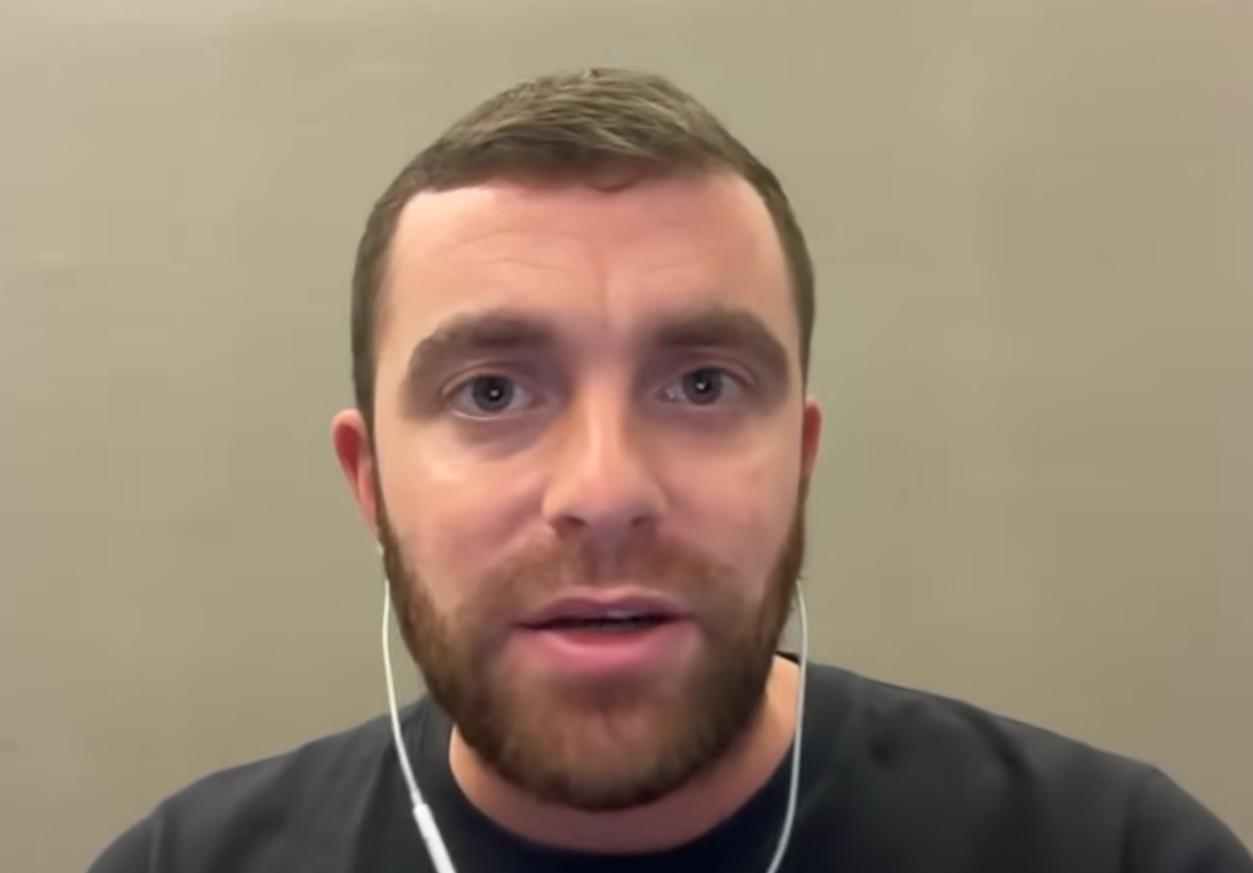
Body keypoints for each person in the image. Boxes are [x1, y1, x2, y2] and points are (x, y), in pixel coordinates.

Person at [88, 67, 1251, 873]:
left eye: (699, 385)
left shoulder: (1117, 853)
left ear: (798, 459)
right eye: (490, 392)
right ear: (371, 483)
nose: (604, 493)